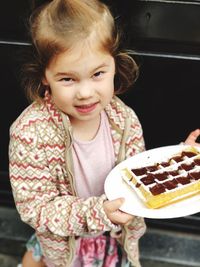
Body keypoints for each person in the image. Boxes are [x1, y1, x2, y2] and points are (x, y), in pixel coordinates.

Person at [9, 0, 146, 266]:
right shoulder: (30, 133)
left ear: (114, 65)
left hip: (112, 238)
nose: (85, 93)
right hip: (62, 241)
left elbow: (138, 174)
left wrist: (180, 161)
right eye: (68, 79)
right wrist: (96, 213)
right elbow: (35, 208)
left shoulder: (124, 119)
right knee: (38, 258)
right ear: (44, 76)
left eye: (97, 74)